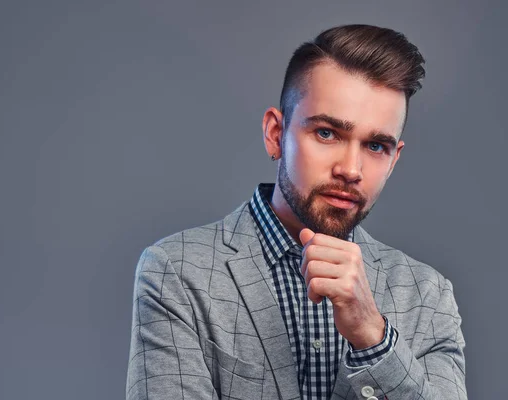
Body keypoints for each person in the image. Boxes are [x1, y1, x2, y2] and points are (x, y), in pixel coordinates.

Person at [125, 24, 466, 400]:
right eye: (326, 133)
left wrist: (374, 336)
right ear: (275, 133)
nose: (351, 170)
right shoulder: (178, 272)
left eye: (375, 145)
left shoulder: (428, 295)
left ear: (394, 159)